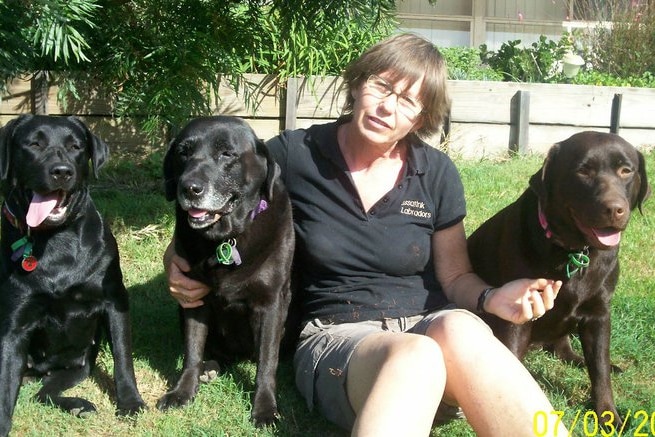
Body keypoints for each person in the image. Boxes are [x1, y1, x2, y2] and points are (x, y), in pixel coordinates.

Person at [165, 33, 568, 436]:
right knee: (417, 356)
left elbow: (455, 277)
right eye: (382, 85)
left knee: (461, 330)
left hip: (430, 324)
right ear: (357, 84)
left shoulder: (437, 173)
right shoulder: (295, 154)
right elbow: (226, 195)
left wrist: (492, 298)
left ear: (422, 118)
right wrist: (176, 258)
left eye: (408, 101)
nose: (388, 107)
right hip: (338, 336)